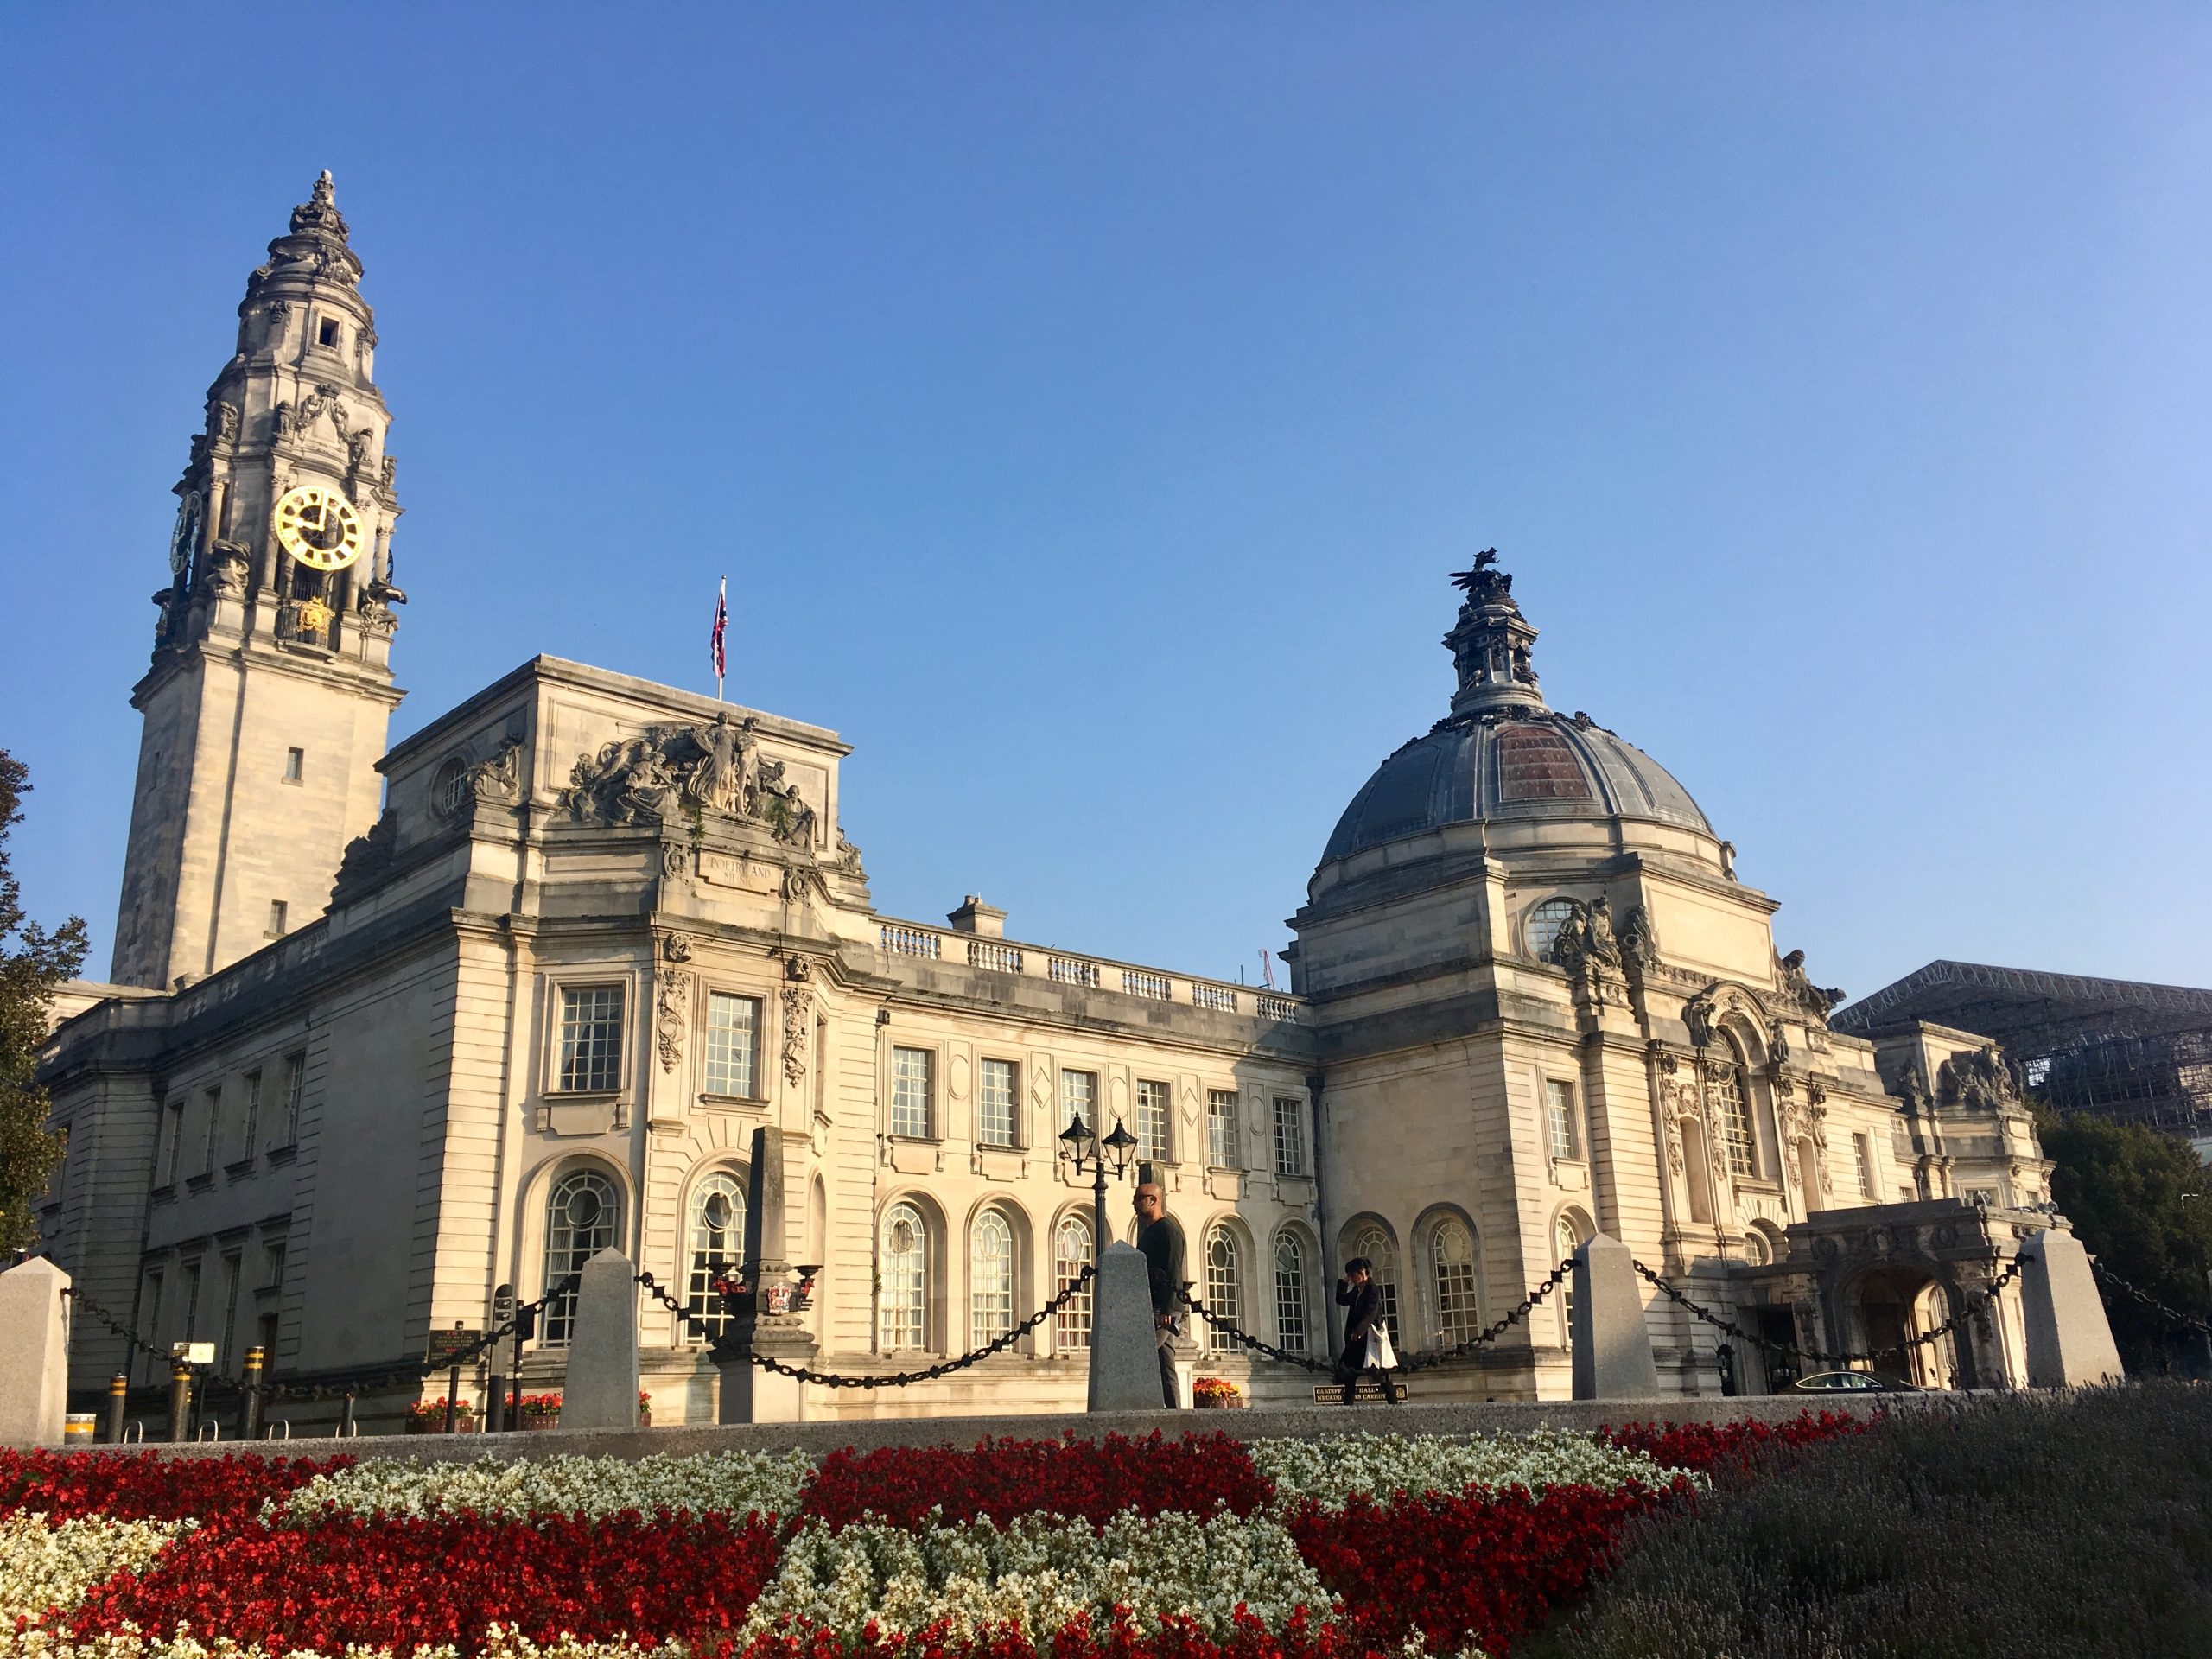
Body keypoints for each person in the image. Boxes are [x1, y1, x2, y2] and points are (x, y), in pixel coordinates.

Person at [1134, 1181, 1185, 1408]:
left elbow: (1174, 1271)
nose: (1133, 1203)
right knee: (1166, 1364)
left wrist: (1166, 1311)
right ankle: (1173, 1415)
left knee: (1141, 1355)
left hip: (1164, 1308)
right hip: (1152, 1304)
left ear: (1153, 1200)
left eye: (1138, 1198)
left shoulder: (1168, 1231)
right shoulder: (1148, 1232)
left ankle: (1143, 1409)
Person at [1333, 1256, 1402, 1405]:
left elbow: (1372, 1312)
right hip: (1357, 1339)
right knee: (1349, 1373)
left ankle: (1394, 1404)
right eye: (1349, 1276)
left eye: (1352, 1275)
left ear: (1362, 1272)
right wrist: (1343, 1283)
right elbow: (1341, 1300)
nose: (1351, 1278)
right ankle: (1347, 1406)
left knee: (1380, 1374)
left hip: (1368, 1337)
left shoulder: (1372, 1288)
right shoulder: (1357, 1290)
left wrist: (1359, 1330)